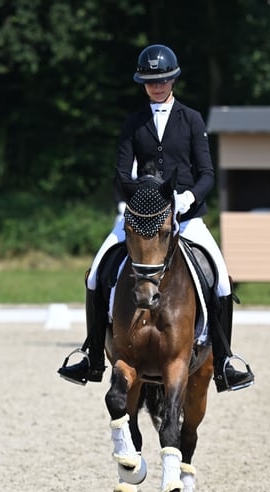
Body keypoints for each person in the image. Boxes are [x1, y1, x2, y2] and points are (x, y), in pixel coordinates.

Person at [58, 44, 254, 393]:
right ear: (143, 83)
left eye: (162, 80)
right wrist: (133, 201)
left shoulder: (191, 119)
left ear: (173, 79)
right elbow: (121, 172)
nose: (157, 86)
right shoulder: (134, 122)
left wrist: (187, 198)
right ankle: (92, 355)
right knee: (94, 276)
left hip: (185, 217)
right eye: (150, 81)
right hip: (140, 216)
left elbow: (207, 172)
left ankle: (224, 360)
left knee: (222, 280)